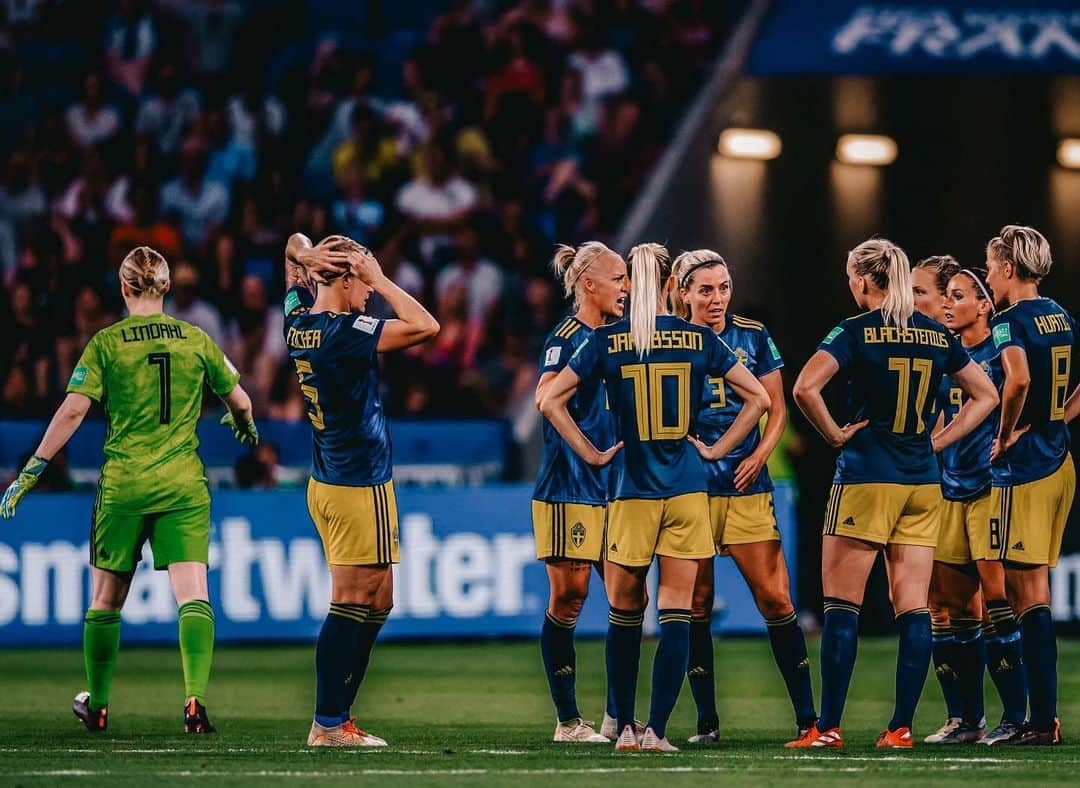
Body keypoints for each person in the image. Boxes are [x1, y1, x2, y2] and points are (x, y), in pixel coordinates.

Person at [0, 245, 257, 734]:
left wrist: (33, 468)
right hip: (183, 484)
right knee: (193, 594)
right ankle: (195, 702)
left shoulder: (107, 342)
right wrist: (243, 425)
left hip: (125, 484)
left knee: (106, 599)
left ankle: (97, 704)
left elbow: (74, 409)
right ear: (166, 286)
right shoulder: (195, 338)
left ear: (124, 288)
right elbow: (240, 400)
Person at [540, 242, 769, 752]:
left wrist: (594, 454)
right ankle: (658, 732)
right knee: (676, 612)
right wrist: (716, 450)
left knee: (623, 612)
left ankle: (622, 728)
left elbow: (550, 399)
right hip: (687, 489)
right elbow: (760, 398)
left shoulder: (607, 340)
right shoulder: (696, 339)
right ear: (671, 286)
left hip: (629, 492)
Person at [791, 238, 998, 749]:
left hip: (866, 478)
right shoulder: (934, 333)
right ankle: (901, 727)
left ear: (864, 281)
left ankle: (828, 728)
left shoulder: (855, 331)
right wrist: (939, 441)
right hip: (922, 482)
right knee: (914, 608)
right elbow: (987, 395)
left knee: (842, 605)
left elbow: (803, 388)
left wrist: (836, 434)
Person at [284, 232, 439, 747]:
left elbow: (293, 244)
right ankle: (328, 723)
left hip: (332, 480)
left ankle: (339, 714)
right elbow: (426, 326)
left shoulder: (298, 320)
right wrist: (383, 278)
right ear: (347, 277)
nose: (369, 292)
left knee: (379, 598)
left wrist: (304, 257)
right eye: (363, 279)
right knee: (351, 599)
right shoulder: (345, 331)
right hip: (356, 481)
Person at [670, 250, 816, 744]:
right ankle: (706, 722)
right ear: (684, 291)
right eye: (706, 290)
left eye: (724, 287)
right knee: (697, 604)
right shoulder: (670, 337)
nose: (717, 298)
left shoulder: (753, 335)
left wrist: (760, 456)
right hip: (690, 489)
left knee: (775, 600)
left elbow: (775, 410)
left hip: (745, 486)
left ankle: (807, 720)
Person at [926, 265, 1029, 745]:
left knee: (996, 601)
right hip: (950, 490)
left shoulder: (1000, 351)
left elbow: (1028, 389)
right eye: (946, 296)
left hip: (991, 486)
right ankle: (968, 720)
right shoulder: (947, 354)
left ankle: (1016, 716)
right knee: (949, 607)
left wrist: (1025, 433)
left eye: (960, 296)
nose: (949, 304)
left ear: (985, 305)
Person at [983, 225, 1078, 745]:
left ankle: (1041, 722)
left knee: (1028, 595)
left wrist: (1005, 433)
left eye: (992, 265)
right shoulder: (1059, 314)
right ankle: (1042, 718)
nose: (989, 274)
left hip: (1028, 471)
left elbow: (1016, 380)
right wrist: (1056, 419)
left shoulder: (1008, 321)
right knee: (1033, 589)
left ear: (1010, 269)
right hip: (1060, 461)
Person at [532, 241, 628, 743]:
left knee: (627, 597)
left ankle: (618, 715)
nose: (626, 287)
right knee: (569, 598)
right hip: (569, 484)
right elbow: (544, 398)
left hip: (618, 487)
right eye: (618, 278)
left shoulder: (622, 336)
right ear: (588, 284)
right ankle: (568, 720)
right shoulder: (567, 335)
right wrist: (589, 451)